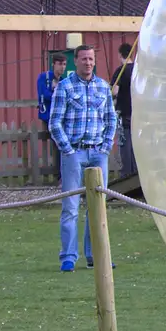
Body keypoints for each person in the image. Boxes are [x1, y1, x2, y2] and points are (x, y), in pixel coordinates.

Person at [48, 45, 117, 272]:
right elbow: (54, 122)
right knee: (70, 207)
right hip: (74, 152)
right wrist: (67, 150)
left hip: (98, 153)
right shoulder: (65, 87)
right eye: (84, 59)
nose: (88, 63)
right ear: (75, 61)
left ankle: (94, 255)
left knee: (97, 207)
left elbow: (111, 119)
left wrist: (106, 146)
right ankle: (68, 257)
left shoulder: (102, 87)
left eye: (91, 59)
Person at [36, 53, 68, 183]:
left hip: (63, 117)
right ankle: (60, 175)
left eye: (64, 64)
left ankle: (64, 174)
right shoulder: (44, 78)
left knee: (65, 145)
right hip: (50, 116)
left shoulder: (63, 80)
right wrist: (56, 92)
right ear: (53, 64)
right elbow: (44, 94)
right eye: (60, 64)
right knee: (60, 144)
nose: (62, 67)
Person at [111, 42, 136, 180]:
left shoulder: (121, 71)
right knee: (136, 144)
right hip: (137, 113)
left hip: (124, 112)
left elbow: (115, 91)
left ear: (120, 54)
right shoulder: (138, 70)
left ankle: (127, 174)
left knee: (125, 144)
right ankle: (136, 174)